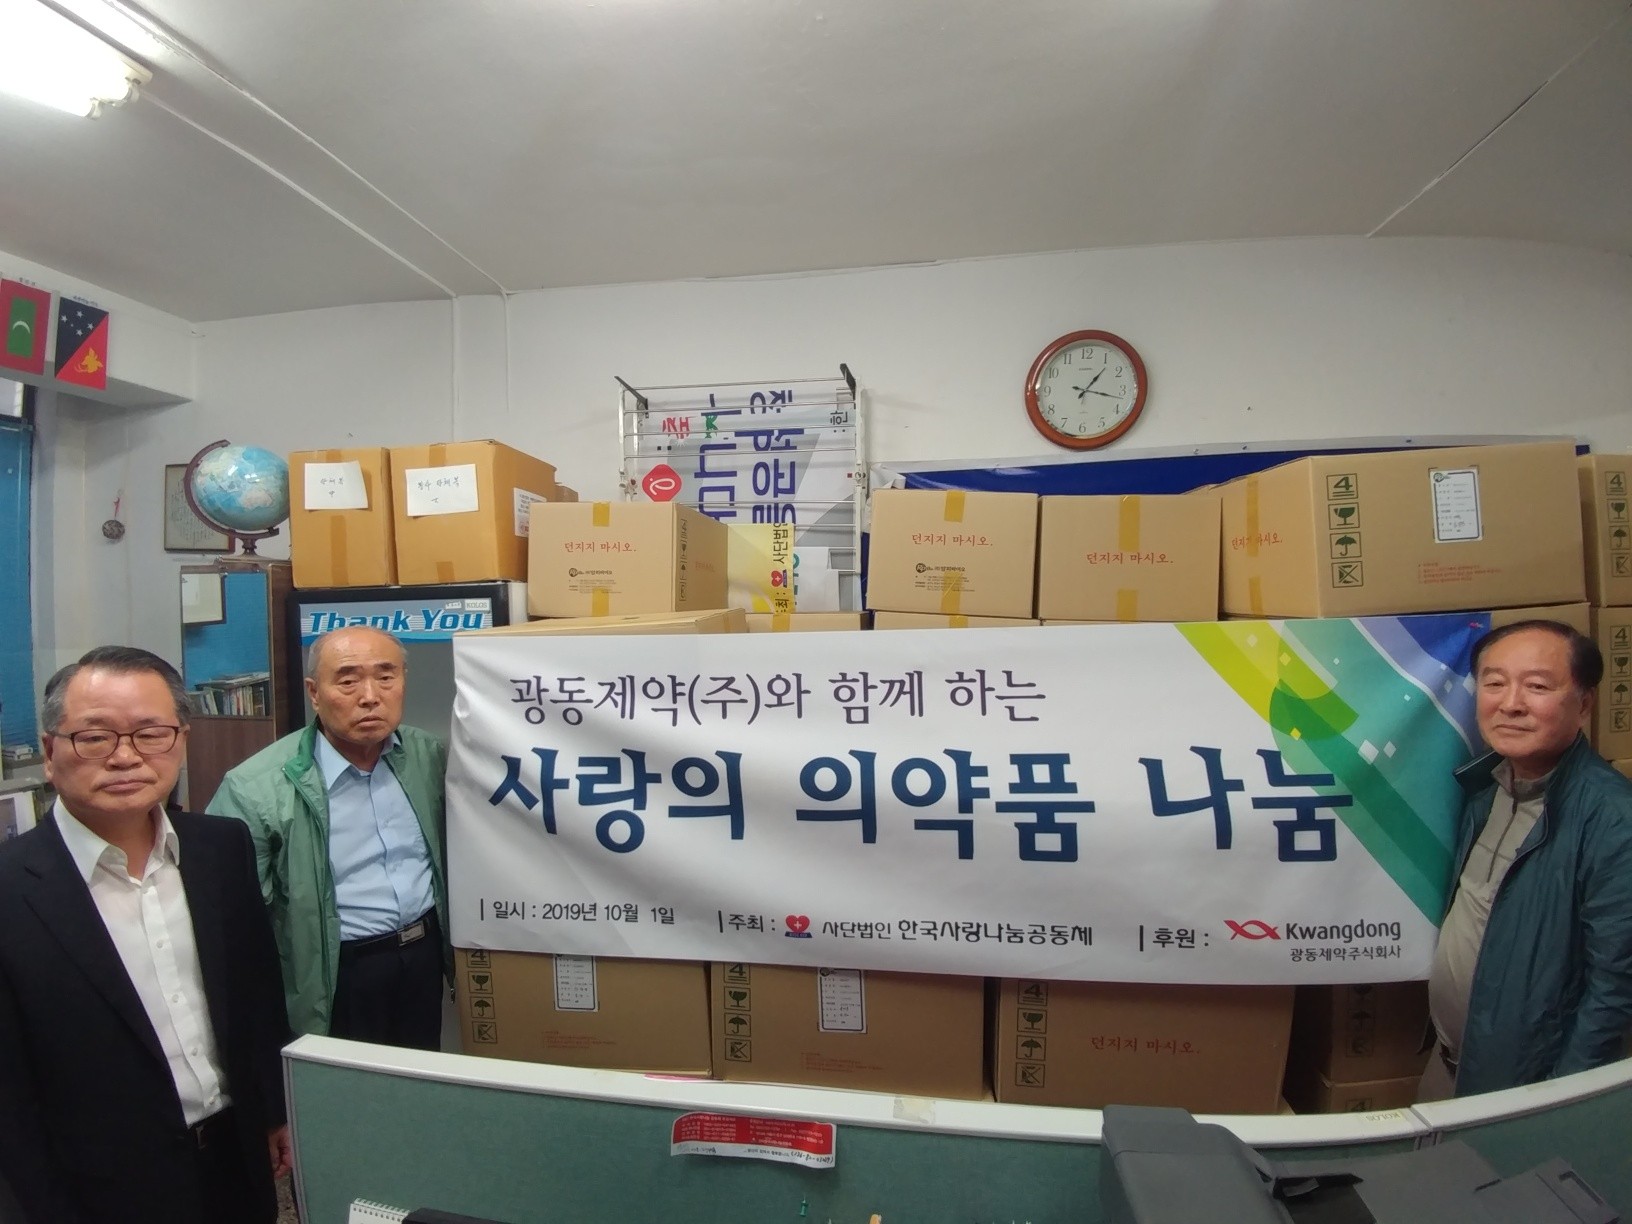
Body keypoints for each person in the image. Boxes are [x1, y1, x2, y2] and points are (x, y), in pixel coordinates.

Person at [0, 647, 291, 1224]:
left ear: (180, 741)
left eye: (151, 734)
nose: (126, 756)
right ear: (51, 751)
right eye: (95, 737)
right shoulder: (12, 889)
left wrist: (274, 1110)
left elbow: (255, 997)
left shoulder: (221, 848)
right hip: (98, 1185)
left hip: (234, 1157)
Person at [209, 625, 450, 1048]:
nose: (370, 696)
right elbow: (232, 920)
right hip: (335, 972)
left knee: (419, 1079)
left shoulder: (429, 756)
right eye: (348, 681)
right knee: (345, 1087)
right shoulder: (255, 787)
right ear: (314, 693)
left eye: (386, 676)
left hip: (423, 957)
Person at [1421, 619, 1632, 1100]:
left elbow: (1616, 989)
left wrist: (1560, 1102)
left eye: (1537, 686)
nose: (1511, 703)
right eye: (1494, 683)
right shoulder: (1484, 789)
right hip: (1448, 1064)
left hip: (1527, 1091)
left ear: (1584, 705)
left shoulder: (1614, 819)